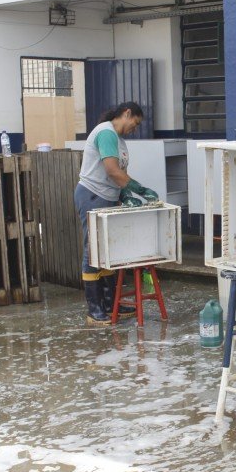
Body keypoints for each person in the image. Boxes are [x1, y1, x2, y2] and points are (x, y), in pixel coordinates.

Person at [74, 102, 159, 326]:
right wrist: (139, 189)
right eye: (135, 123)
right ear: (126, 113)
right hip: (93, 196)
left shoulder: (119, 140)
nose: (135, 128)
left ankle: (111, 305)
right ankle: (94, 310)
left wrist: (124, 195)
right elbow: (112, 170)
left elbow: (120, 174)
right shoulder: (106, 132)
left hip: (108, 197)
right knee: (93, 251)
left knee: (108, 252)